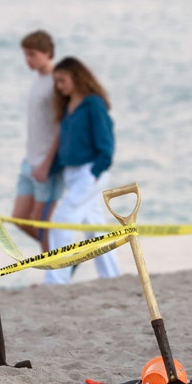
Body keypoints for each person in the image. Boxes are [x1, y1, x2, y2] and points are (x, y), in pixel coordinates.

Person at [43, 56, 121, 285]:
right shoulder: (68, 108)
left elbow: (106, 142)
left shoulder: (93, 104)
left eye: (62, 80)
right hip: (72, 174)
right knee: (94, 228)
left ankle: (56, 279)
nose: (59, 86)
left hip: (90, 172)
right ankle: (112, 277)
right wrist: (50, 169)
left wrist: (96, 171)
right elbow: (69, 145)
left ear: (76, 78)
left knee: (61, 220)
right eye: (56, 81)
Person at [13, 30, 62, 245]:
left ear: (47, 53)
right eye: (25, 54)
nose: (27, 60)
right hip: (30, 160)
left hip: (47, 164)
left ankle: (55, 274)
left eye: (32, 54)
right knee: (19, 218)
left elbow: (62, 126)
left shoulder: (56, 82)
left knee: (41, 222)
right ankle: (64, 259)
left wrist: (47, 163)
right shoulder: (37, 80)